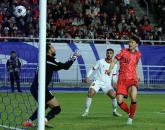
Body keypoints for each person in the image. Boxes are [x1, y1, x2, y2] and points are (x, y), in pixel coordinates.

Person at [23, 43, 80, 127]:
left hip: (36, 88)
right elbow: (65, 66)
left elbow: (60, 66)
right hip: (40, 88)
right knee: (57, 108)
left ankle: (29, 121)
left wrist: (70, 59)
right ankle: (43, 121)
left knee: (44, 105)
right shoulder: (49, 59)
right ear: (49, 50)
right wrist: (74, 57)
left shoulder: (45, 59)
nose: (54, 49)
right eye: (53, 47)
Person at [106, 36, 141, 125]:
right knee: (119, 101)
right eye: (129, 42)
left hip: (132, 79)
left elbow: (135, 65)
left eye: (132, 42)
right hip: (122, 80)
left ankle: (130, 118)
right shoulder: (123, 51)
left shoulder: (138, 54)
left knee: (133, 97)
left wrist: (137, 75)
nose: (130, 44)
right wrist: (110, 69)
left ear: (136, 44)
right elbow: (114, 61)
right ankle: (130, 113)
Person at [81, 48, 122, 117]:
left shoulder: (114, 65)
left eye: (110, 53)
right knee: (90, 93)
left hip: (107, 84)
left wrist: (115, 83)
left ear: (113, 54)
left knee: (113, 96)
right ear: (106, 54)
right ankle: (86, 111)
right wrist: (87, 77)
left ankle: (114, 111)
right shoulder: (100, 61)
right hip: (97, 81)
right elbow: (92, 69)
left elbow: (114, 75)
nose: (109, 54)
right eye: (108, 53)